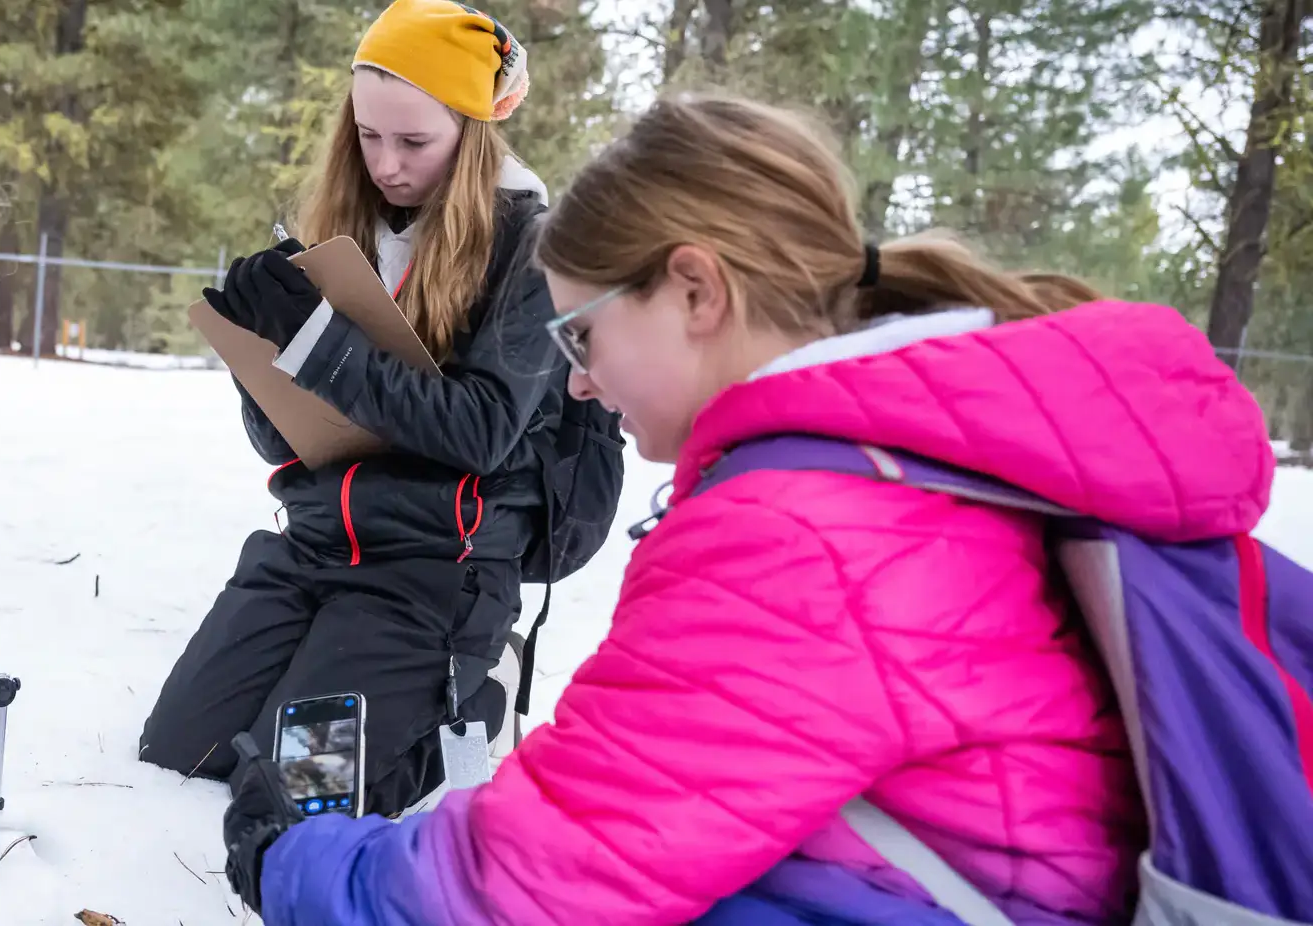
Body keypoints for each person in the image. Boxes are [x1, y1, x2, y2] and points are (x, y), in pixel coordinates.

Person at [223, 91, 1279, 924]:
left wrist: (299, 864)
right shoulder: (903, 466)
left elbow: (532, 883)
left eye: (582, 334)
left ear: (695, 291)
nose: (579, 382)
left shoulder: (800, 528)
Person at [140, 0, 621, 819]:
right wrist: (261, 347)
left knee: (302, 792)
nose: (387, 164)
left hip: (436, 572)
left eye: (413, 141)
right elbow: (281, 442)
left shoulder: (532, 250)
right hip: (316, 545)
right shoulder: (343, 233)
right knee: (182, 752)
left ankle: (477, 689)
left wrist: (319, 341)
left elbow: (482, 430)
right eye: (368, 137)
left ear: (471, 133)